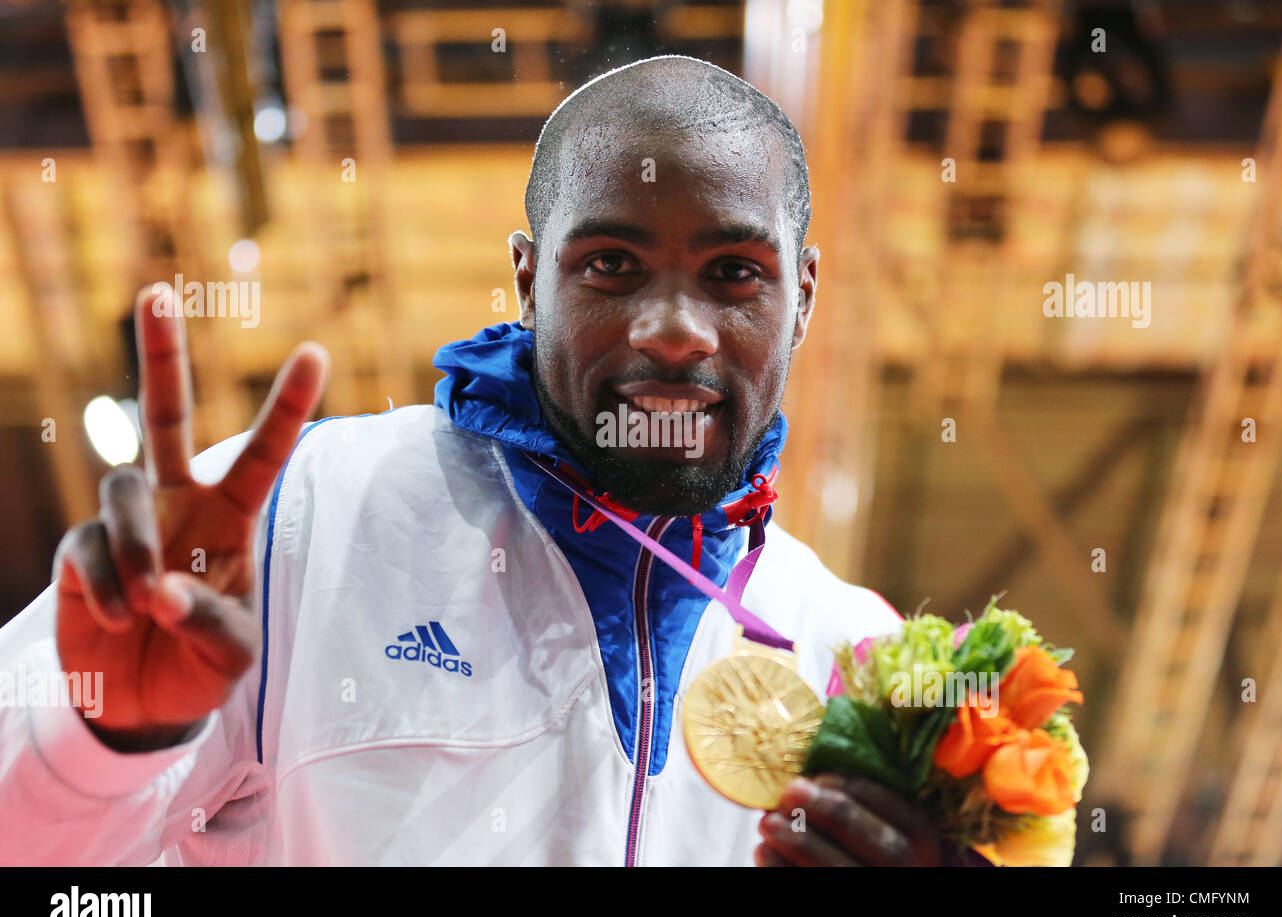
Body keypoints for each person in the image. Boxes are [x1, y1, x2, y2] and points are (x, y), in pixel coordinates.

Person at [0, 55, 973, 866]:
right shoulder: (296, 524)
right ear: (526, 278)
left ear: (801, 295)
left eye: (734, 273)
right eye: (610, 264)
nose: (674, 331)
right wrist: (101, 740)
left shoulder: (854, 651)